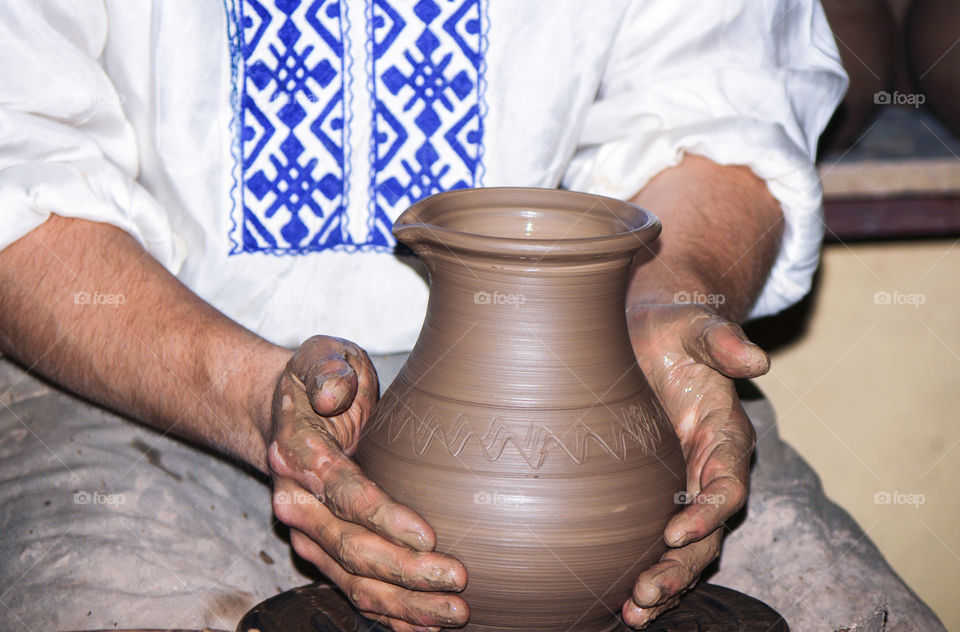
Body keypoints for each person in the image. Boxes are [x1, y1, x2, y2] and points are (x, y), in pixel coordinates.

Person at [0, 1, 944, 631]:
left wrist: (674, 297)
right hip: (144, 368)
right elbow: (18, 160)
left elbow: (720, 112)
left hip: (609, 367)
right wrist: (246, 396)